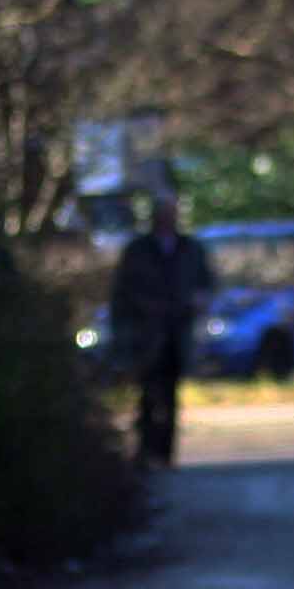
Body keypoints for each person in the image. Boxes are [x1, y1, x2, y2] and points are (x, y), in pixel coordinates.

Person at [111, 194, 214, 463]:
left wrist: (197, 302)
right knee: (147, 391)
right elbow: (123, 291)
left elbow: (204, 282)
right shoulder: (138, 250)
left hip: (177, 331)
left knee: (170, 392)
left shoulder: (190, 248)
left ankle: (166, 452)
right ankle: (146, 449)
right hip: (146, 332)